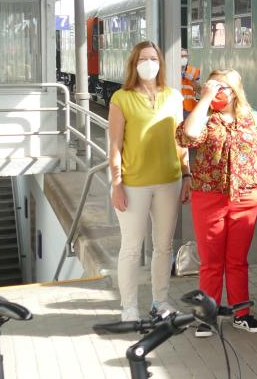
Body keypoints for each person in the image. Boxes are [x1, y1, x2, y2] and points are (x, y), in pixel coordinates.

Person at [177, 69, 257, 337]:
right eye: (212, 86)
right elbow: (186, 136)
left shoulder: (254, 119)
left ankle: (241, 314)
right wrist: (204, 98)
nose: (217, 91)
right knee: (211, 261)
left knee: (237, 260)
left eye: (222, 87)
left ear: (235, 91)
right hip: (209, 197)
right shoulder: (205, 118)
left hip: (246, 197)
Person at [108, 41, 189, 322]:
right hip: (133, 184)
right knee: (131, 248)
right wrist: (116, 184)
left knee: (163, 246)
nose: (149, 63)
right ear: (134, 63)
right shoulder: (121, 98)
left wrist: (187, 174)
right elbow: (115, 146)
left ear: (160, 63)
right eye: (143, 59)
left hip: (169, 181)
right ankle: (129, 307)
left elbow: (180, 141)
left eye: (154, 58)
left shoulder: (173, 97)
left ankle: (160, 302)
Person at [180, 48, 201, 117]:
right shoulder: (171, 70)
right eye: (181, 56)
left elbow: (199, 91)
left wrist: (192, 79)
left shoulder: (194, 71)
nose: (184, 58)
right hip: (176, 107)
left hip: (190, 108)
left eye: (185, 56)